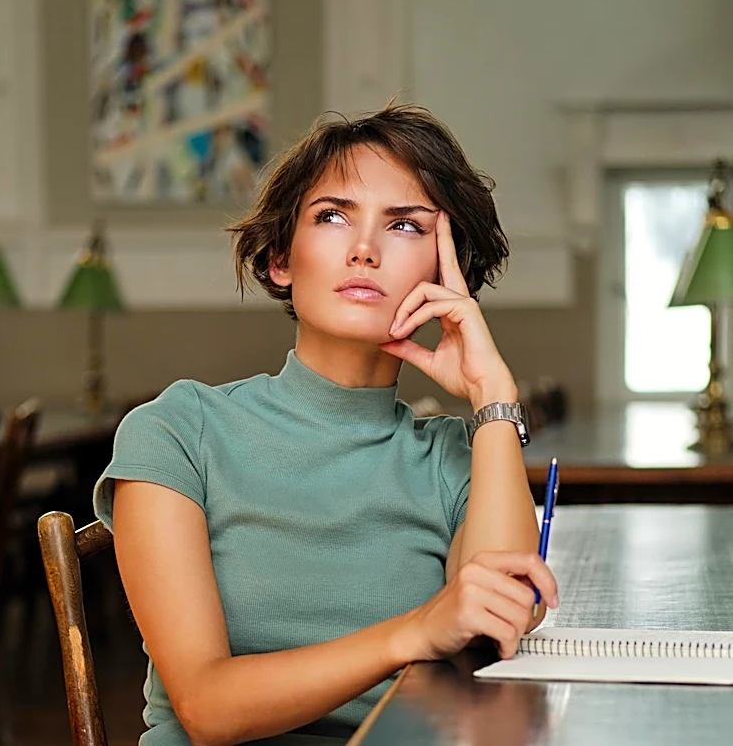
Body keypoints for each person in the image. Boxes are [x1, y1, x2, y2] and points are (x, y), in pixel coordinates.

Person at [93, 103, 560, 746]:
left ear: (445, 274)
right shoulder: (179, 430)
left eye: (403, 226)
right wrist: (414, 631)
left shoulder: (456, 456)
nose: (364, 250)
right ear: (281, 258)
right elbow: (205, 706)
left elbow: (501, 624)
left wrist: (492, 396)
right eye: (333, 216)